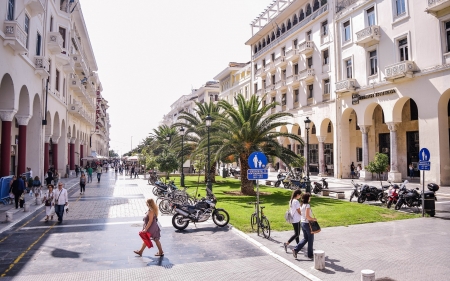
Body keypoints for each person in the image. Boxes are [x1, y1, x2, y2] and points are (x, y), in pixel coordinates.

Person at [292, 193, 316, 260]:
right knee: (310, 239)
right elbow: (308, 217)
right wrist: (313, 219)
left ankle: (295, 250)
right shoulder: (307, 205)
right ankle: (310, 255)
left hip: (303, 223)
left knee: (305, 238)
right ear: (307, 198)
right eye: (309, 197)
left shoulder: (302, 205)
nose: (310, 198)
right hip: (307, 224)